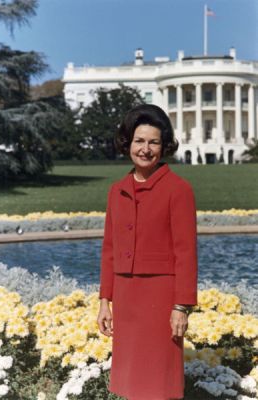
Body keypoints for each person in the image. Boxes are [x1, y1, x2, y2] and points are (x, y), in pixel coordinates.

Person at [97, 104, 198, 400]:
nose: (145, 149)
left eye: (153, 142)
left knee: (159, 383)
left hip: (161, 299)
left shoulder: (178, 190)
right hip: (127, 299)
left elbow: (186, 253)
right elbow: (109, 249)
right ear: (128, 143)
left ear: (164, 146)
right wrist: (105, 301)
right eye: (139, 141)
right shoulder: (117, 190)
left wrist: (181, 307)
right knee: (130, 384)